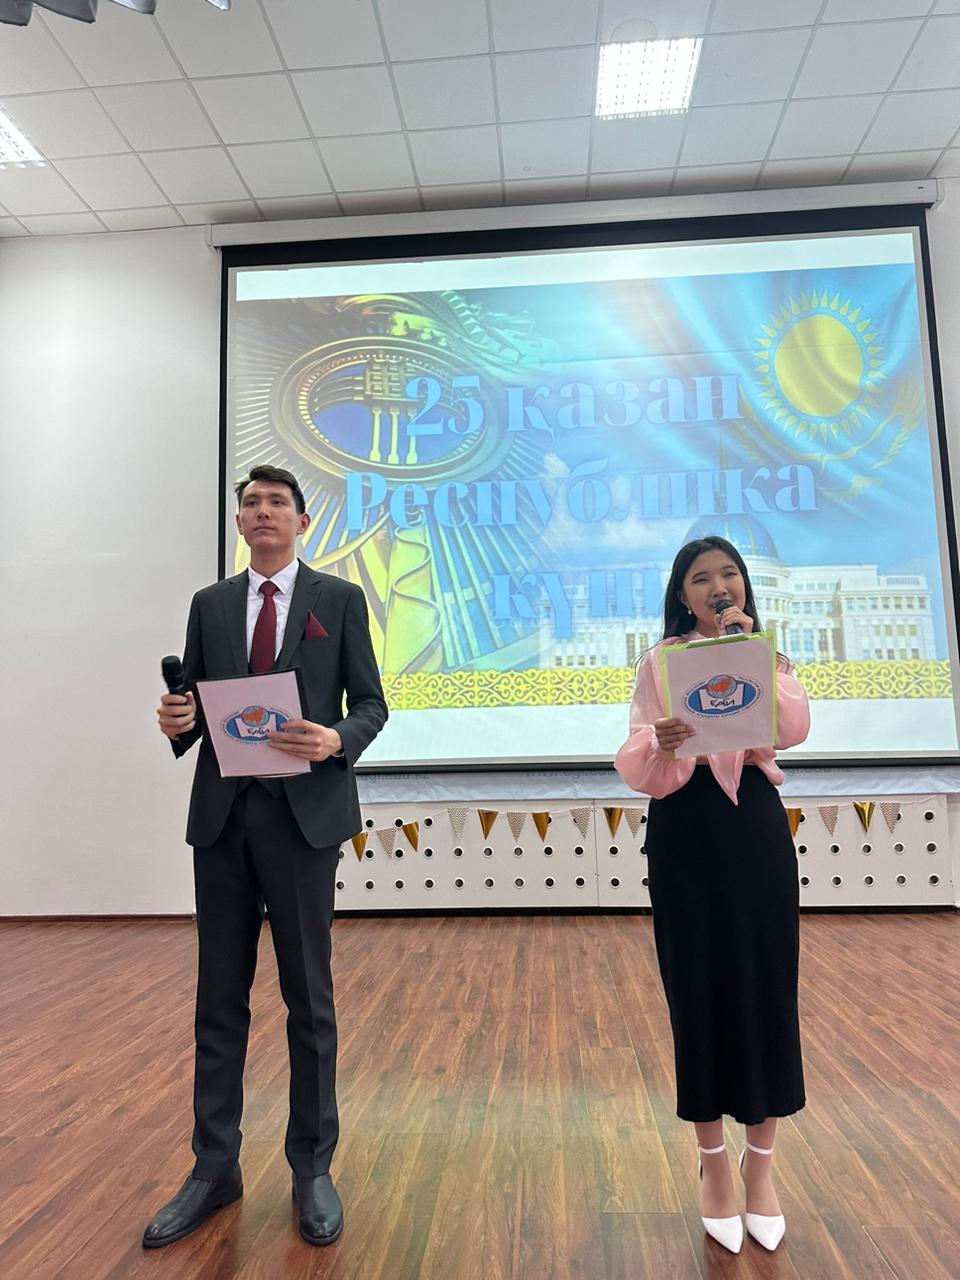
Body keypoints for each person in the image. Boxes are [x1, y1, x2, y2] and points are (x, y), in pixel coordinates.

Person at [143, 465, 388, 1249]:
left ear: (302, 521)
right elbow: (195, 716)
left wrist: (335, 739)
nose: (262, 511)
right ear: (240, 522)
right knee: (217, 1001)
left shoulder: (338, 600)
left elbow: (371, 704)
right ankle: (214, 1166)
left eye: (277, 502)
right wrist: (176, 721)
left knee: (308, 1000)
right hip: (222, 821)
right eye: (250, 503)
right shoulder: (210, 605)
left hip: (303, 822)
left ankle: (311, 1167)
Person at [614, 535, 810, 1255]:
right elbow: (635, 757)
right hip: (685, 830)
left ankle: (762, 1167)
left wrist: (751, 651)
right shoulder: (660, 663)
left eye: (729, 575)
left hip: (754, 827)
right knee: (695, 991)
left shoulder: (767, 655)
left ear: (744, 589)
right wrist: (662, 743)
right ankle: (714, 1167)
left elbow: (793, 729)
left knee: (767, 989)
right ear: (682, 594)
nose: (717, 587)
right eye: (701, 578)